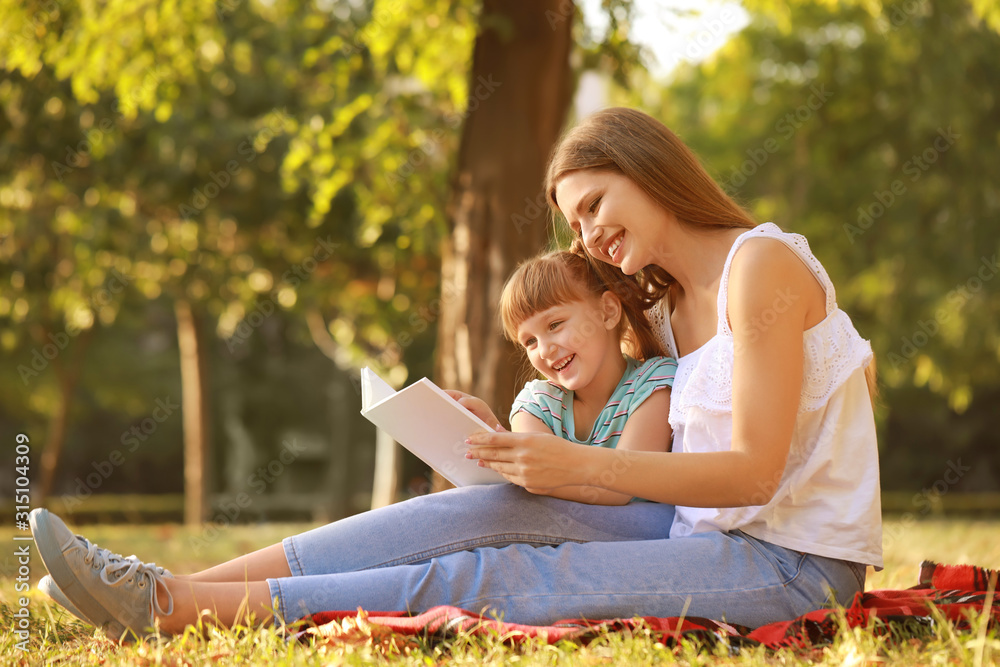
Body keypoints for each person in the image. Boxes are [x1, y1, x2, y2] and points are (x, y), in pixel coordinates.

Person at [30, 106, 881, 641]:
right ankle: (163, 585)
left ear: (650, 171)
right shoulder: (659, 303)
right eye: (573, 222)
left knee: (501, 575)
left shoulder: (759, 266)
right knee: (469, 509)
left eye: (593, 206)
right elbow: (638, 418)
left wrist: (577, 465)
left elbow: (756, 469)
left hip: (789, 566)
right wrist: (503, 442)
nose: (584, 238)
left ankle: (177, 610)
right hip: (690, 531)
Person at [494, 244, 677, 504]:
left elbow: (619, 488)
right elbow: (531, 472)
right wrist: (488, 436)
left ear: (607, 312)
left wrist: (535, 478)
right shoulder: (537, 404)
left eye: (554, 325)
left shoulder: (653, 385)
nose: (545, 350)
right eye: (530, 341)